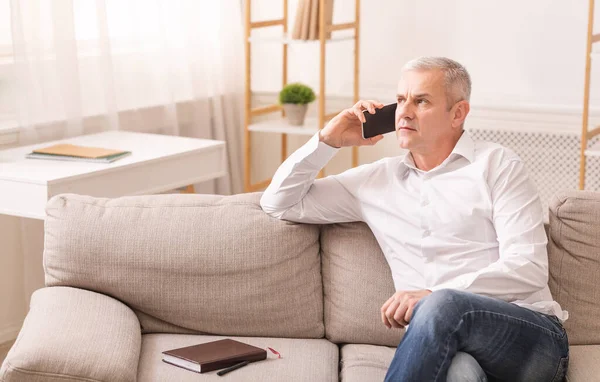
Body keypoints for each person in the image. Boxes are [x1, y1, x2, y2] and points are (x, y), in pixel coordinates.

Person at [259, 57, 569, 381]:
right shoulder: (376, 181)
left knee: (442, 305)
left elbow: (529, 268)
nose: (404, 112)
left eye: (420, 101)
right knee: (459, 372)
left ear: (458, 113)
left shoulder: (498, 166)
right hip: (449, 345)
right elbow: (279, 203)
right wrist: (327, 140)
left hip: (531, 338)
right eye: (401, 99)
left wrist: (438, 296)